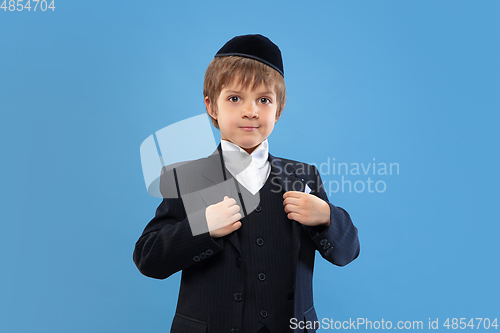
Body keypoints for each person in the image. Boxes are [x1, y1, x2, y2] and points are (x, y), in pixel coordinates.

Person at [133, 34, 360, 333]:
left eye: (264, 100)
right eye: (234, 98)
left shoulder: (304, 176)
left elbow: (347, 251)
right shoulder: (183, 178)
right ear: (212, 106)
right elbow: (148, 259)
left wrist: (327, 218)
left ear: (277, 110)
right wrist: (201, 227)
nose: (250, 110)